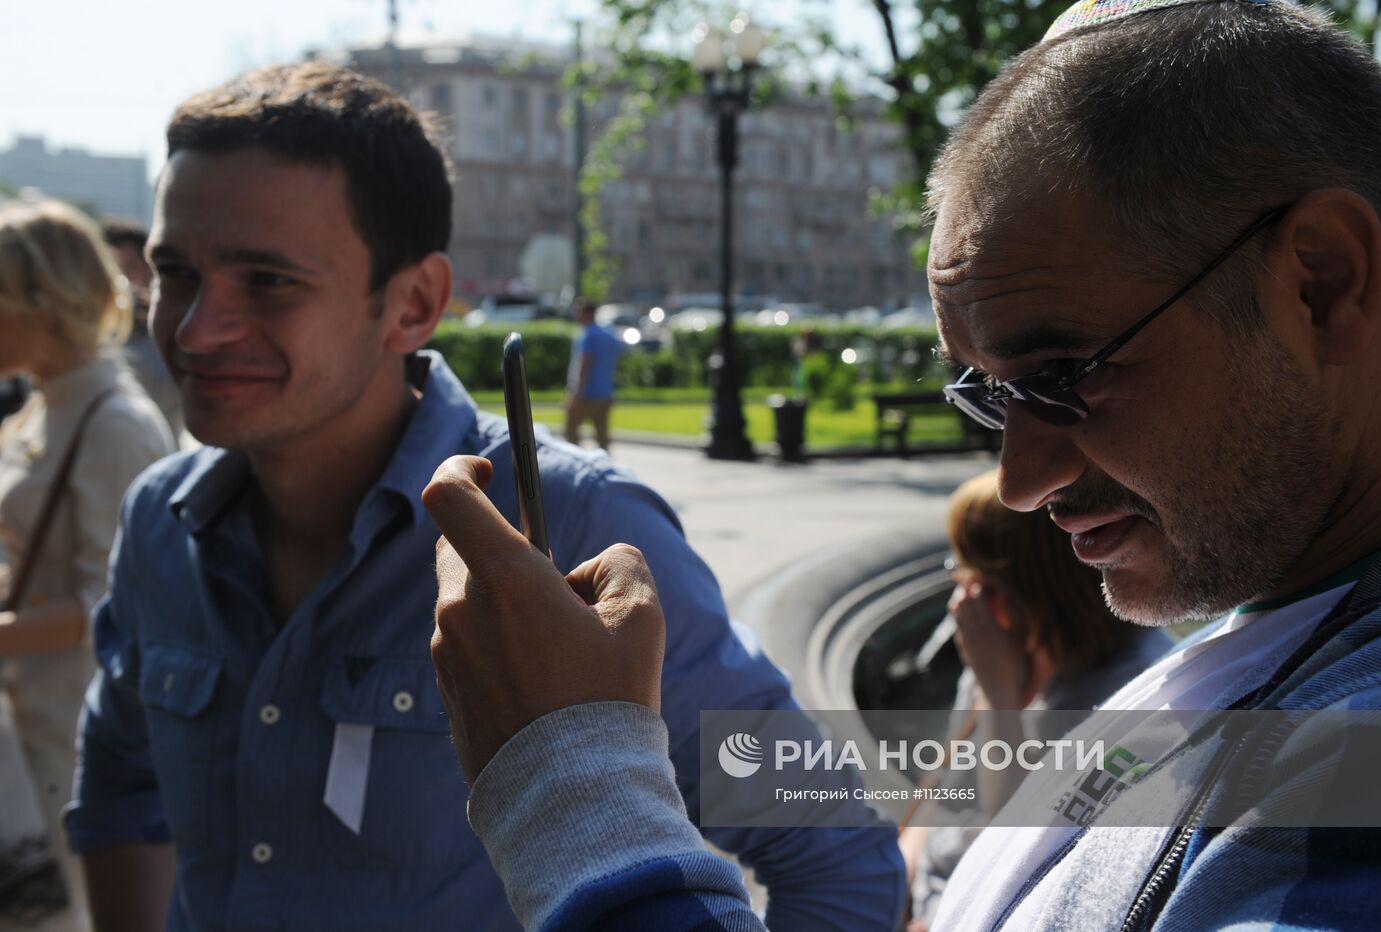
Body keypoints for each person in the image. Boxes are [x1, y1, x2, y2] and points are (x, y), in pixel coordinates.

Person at [423, 0, 1381, 928]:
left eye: (1061, 375)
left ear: (1319, 283)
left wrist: (576, 793)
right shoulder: (1279, 620)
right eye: (987, 393)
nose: (1017, 479)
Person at [63, 63, 903, 932]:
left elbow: (840, 856)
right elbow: (122, 791)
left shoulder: (576, 528)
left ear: (414, 302)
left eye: (267, 281)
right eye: (174, 273)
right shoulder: (157, 519)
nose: (195, 329)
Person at [0, 200, 174, 930]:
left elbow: (109, 609)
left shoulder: (115, 423)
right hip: (27, 722)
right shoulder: (43, 408)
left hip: (70, 733)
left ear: (46, 301)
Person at [900, 470, 1173, 928]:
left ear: (1031, 584)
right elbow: (939, 788)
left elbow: (1022, 853)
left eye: (974, 573)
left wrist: (999, 698)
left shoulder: (1130, 698)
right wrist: (894, 876)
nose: (960, 598)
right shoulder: (1010, 648)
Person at [100, 219, 184, 442]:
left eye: (127, 269)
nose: (120, 282)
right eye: (108, 271)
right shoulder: (88, 338)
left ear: (150, 269)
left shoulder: (177, 332)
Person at [564, 299, 621, 452]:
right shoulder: (609, 334)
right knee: (602, 436)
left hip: (586, 394)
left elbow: (584, 365)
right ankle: (605, 467)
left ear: (586, 313)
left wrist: (576, 393)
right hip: (605, 391)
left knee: (571, 431)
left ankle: (577, 464)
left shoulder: (587, 335)